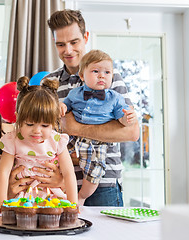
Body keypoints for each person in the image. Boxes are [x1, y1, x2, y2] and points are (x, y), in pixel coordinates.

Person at [46, 9, 140, 206]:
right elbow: (42, 133)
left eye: (74, 42)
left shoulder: (109, 78)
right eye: (61, 44)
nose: (68, 50)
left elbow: (132, 132)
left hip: (104, 185)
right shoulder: (49, 83)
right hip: (59, 183)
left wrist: (73, 126)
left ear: (85, 37)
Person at [0, 76, 77, 214]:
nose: (37, 131)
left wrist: (73, 204)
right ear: (18, 118)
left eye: (44, 125)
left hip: (51, 196)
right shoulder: (12, 139)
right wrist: (1, 203)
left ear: (54, 122)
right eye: (29, 124)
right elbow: (3, 172)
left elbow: (68, 173)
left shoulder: (57, 140)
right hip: (22, 197)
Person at [60, 49, 137, 206]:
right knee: (57, 156)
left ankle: (81, 196)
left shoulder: (115, 98)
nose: (102, 75)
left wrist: (127, 118)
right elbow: (66, 105)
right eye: (96, 71)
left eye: (107, 72)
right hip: (73, 139)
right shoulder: (75, 93)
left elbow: (123, 120)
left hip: (98, 143)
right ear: (82, 76)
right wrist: (61, 106)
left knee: (95, 171)